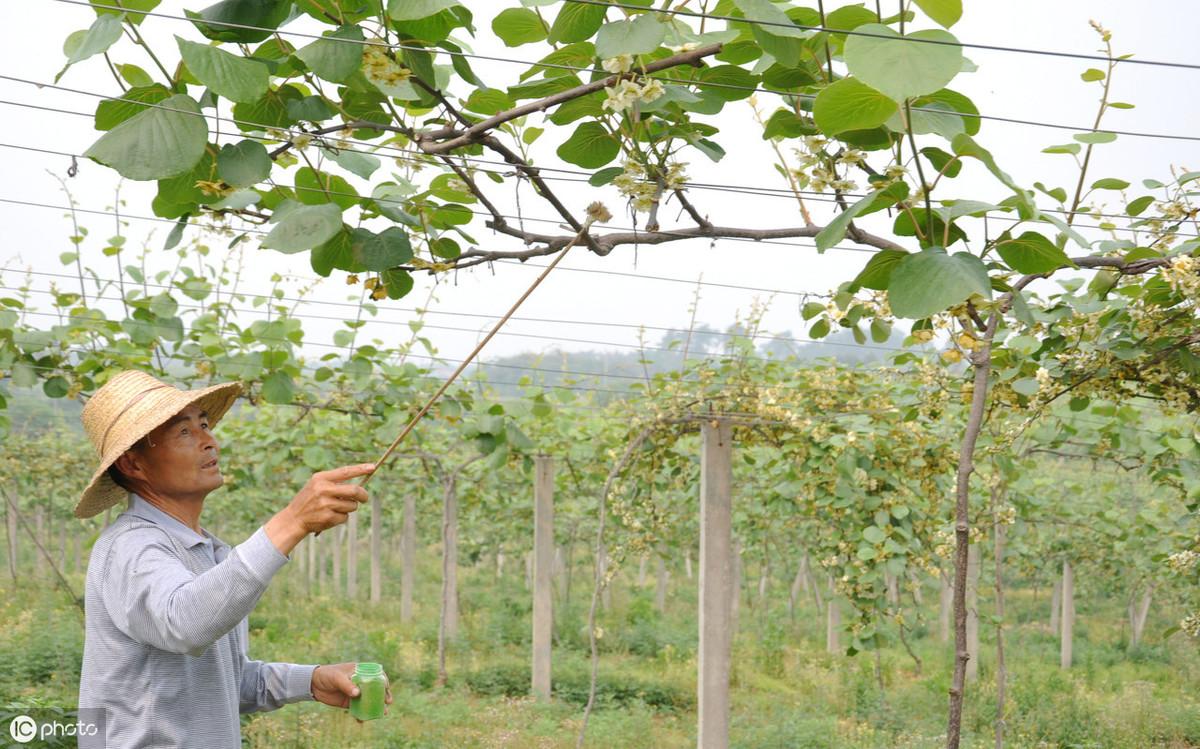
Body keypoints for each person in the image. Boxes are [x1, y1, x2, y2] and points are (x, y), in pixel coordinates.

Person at [74, 370, 391, 748]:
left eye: (204, 425)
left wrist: (312, 679)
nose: (210, 442)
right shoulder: (130, 547)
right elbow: (184, 623)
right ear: (133, 465)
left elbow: (222, 680)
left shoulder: (208, 554)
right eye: (184, 432)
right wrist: (291, 522)